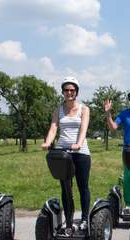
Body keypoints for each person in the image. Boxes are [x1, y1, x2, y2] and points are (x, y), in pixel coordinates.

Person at [41, 77, 91, 231]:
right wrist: (48, 142)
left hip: (80, 152)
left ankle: (84, 219)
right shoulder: (58, 110)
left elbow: (83, 129)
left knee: (82, 186)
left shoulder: (84, 109)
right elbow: (54, 128)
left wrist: (79, 144)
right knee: (65, 187)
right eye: (66, 90)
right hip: (62, 153)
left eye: (72, 90)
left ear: (76, 92)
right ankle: (68, 220)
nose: (69, 92)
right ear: (63, 92)